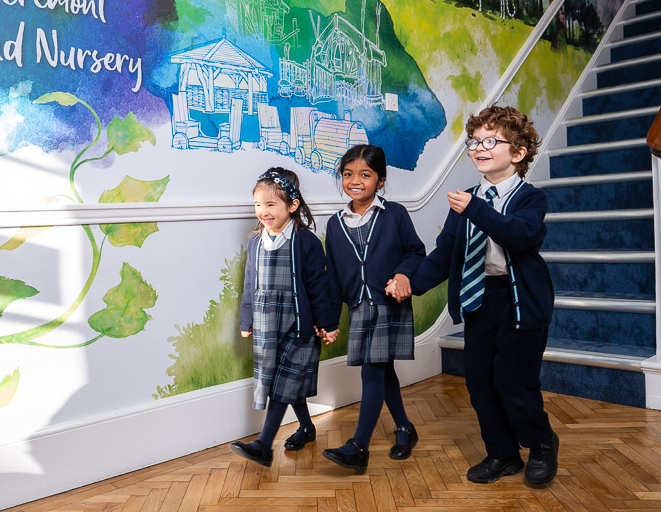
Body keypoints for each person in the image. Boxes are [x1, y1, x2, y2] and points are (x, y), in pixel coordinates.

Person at [387, 105, 559, 486]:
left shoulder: (531, 199)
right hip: (480, 299)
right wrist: (411, 284)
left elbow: (520, 235)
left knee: (514, 383)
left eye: (490, 141)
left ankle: (542, 443)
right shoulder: (467, 200)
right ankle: (502, 453)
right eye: (474, 141)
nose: (479, 148)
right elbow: (445, 254)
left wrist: (476, 209)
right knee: (480, 384)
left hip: (521, 303)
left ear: (517, 153)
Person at [320, 145, 427, 473]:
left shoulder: (395, 214)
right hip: (359, 309)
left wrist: (402, 273)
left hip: (388, 304)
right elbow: (333, 277)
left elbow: (416, 252)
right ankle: (406, 428)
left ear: (380, 181)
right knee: (383, 372)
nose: (355, 180)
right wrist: (329, 319)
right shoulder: (335, 225)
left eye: (365, 174)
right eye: (348, 174)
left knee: (371, 371)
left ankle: (358, 446)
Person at [231, 167, 340, 468]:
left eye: (270, 205)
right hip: (267, 322)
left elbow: (319, 285)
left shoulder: (305, 241)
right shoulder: (256, 241)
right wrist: (245, 320)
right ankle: (306, 426)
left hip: (298, 324)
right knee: (286, 381)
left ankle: (264, 444)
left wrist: (327, 323)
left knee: (283, 383)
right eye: (258, 205)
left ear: (292, 205)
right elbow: (249, 282)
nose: (263, 212)